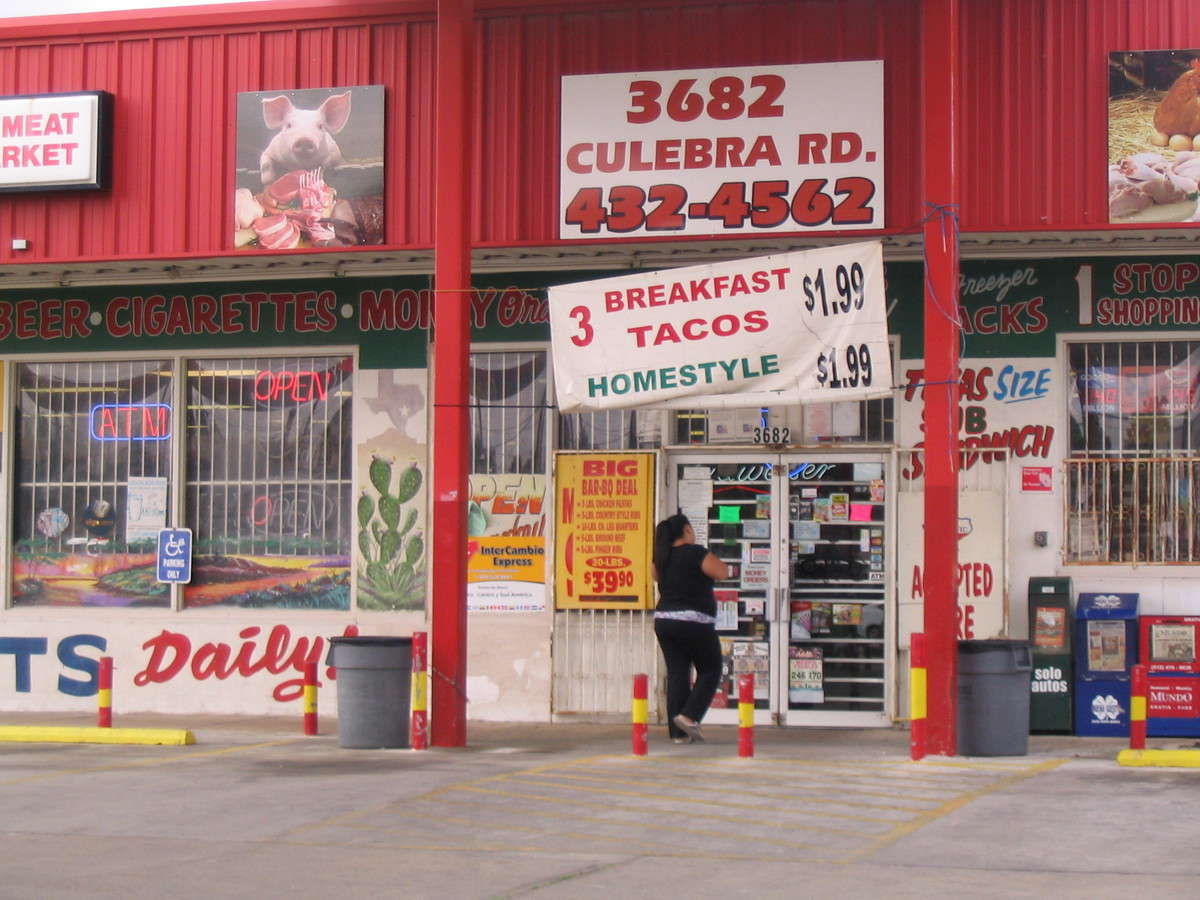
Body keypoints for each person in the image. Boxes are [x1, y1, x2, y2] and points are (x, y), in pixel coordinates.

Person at [651, 513, 730, 743]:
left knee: (678, 674)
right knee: (710, 669)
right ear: (686, 530)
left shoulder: (660, 558)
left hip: (664, 621)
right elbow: (722, 572)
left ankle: (678, 734)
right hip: (694, 621)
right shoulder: (696, 553)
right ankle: (689, 716)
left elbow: (654, 576)